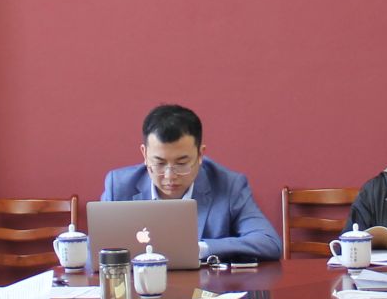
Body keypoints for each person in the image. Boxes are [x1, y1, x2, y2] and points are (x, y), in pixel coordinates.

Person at [99, 103, 280, 261]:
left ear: (200, 154)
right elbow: (96, 250)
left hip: (205, 287)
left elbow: (268, 242)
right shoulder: (119, 186)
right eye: (160, 163)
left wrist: (201, 248)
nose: (170, 176)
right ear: (145, 154)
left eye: (182, 163)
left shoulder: (229, 185)